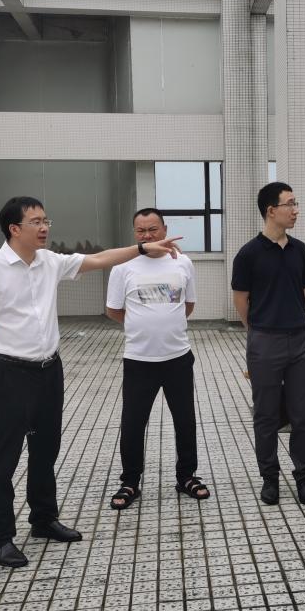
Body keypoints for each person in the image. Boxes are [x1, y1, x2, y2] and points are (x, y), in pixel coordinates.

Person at [0, 196, 180, 567]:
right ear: (14, 228)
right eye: (36, 221)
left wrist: (142, 248)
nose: (44, 227)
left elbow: (99, 259)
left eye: (46, 220)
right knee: (3, 457)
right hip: (9, 372)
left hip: (49, 370)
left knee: (46, 449)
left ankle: (43, 519)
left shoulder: (49, 262)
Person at [105, 208, 207, 510]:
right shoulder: (123, 265)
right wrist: (142, 326)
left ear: (164, 229)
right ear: (134, 232)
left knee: (185, 420)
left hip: (178, 357)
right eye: (141, 230)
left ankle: (186, 476)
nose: (147, 235)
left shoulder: (182, 262)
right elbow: (113, 310)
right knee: (133, 423)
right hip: (139, 359)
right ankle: (130, 481)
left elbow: (188, 305)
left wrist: (164, 324)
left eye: (152, 229)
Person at [231, 182, 305, 506]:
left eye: (296, 203)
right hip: (265, 341)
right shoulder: (248, 254)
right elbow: (241, 301)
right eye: (290, 204)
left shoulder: (300, 250)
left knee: (302, 414)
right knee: (266, 415)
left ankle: (303, 477)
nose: (295, 210)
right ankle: (270, 478)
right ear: (271, 210)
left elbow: (302, 292)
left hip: (301, 340)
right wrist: (259, 331)